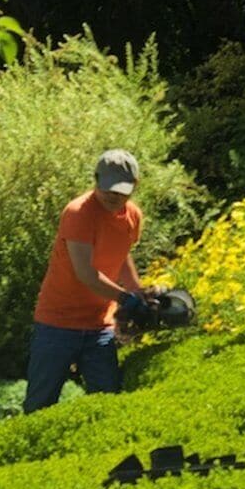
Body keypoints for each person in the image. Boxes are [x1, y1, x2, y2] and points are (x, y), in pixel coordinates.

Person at [27, 149, 151, 412]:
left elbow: (121, 257)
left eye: (121, 190)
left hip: (98, 326)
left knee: (107, 401)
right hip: (56, 323)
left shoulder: (133, 216)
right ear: (96, 180)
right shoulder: (79, 213)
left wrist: (137, 293)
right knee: (40, 404)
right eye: (107, 188)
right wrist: (124, 299)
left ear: (135, 186)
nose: (112, 196)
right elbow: (86, 273)